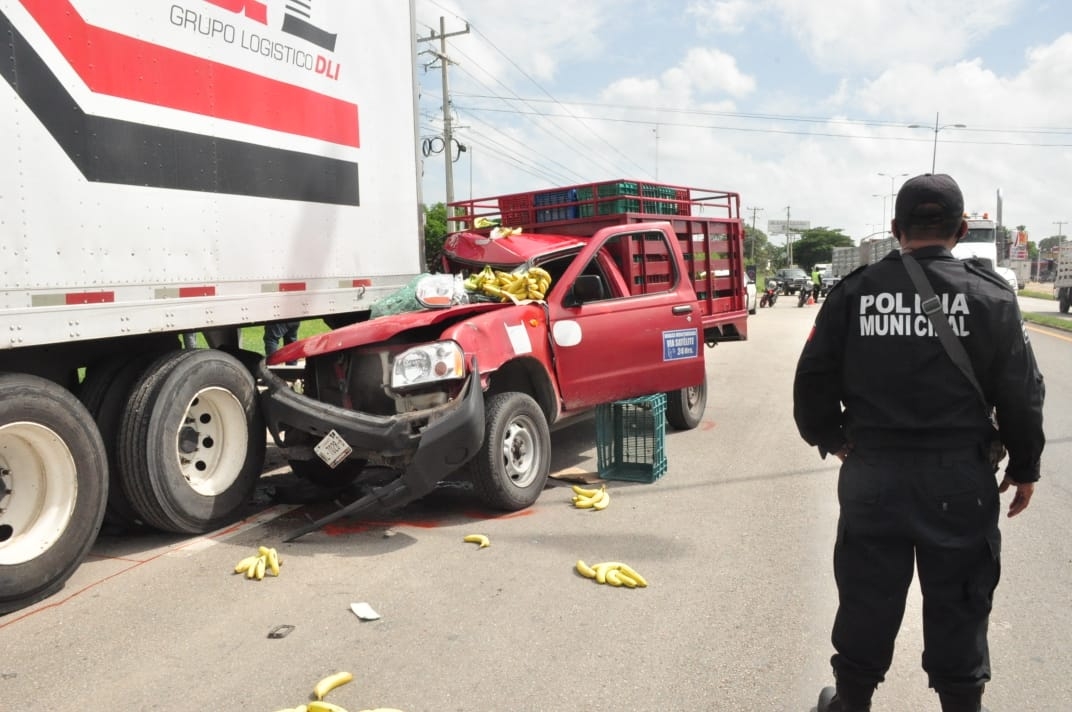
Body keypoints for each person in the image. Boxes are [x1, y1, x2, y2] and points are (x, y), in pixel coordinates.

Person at [793, 173, 1045, 712]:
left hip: (872, 475)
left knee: (866, 596)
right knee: (961, 600)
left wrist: (835, 440)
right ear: (958, 229)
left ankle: (851, 702)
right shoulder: (991, 296)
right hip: (960, 479)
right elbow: (1022, 393)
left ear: (894, 228)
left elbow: (811, 385)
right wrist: (1025, 467)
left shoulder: (852, 293)